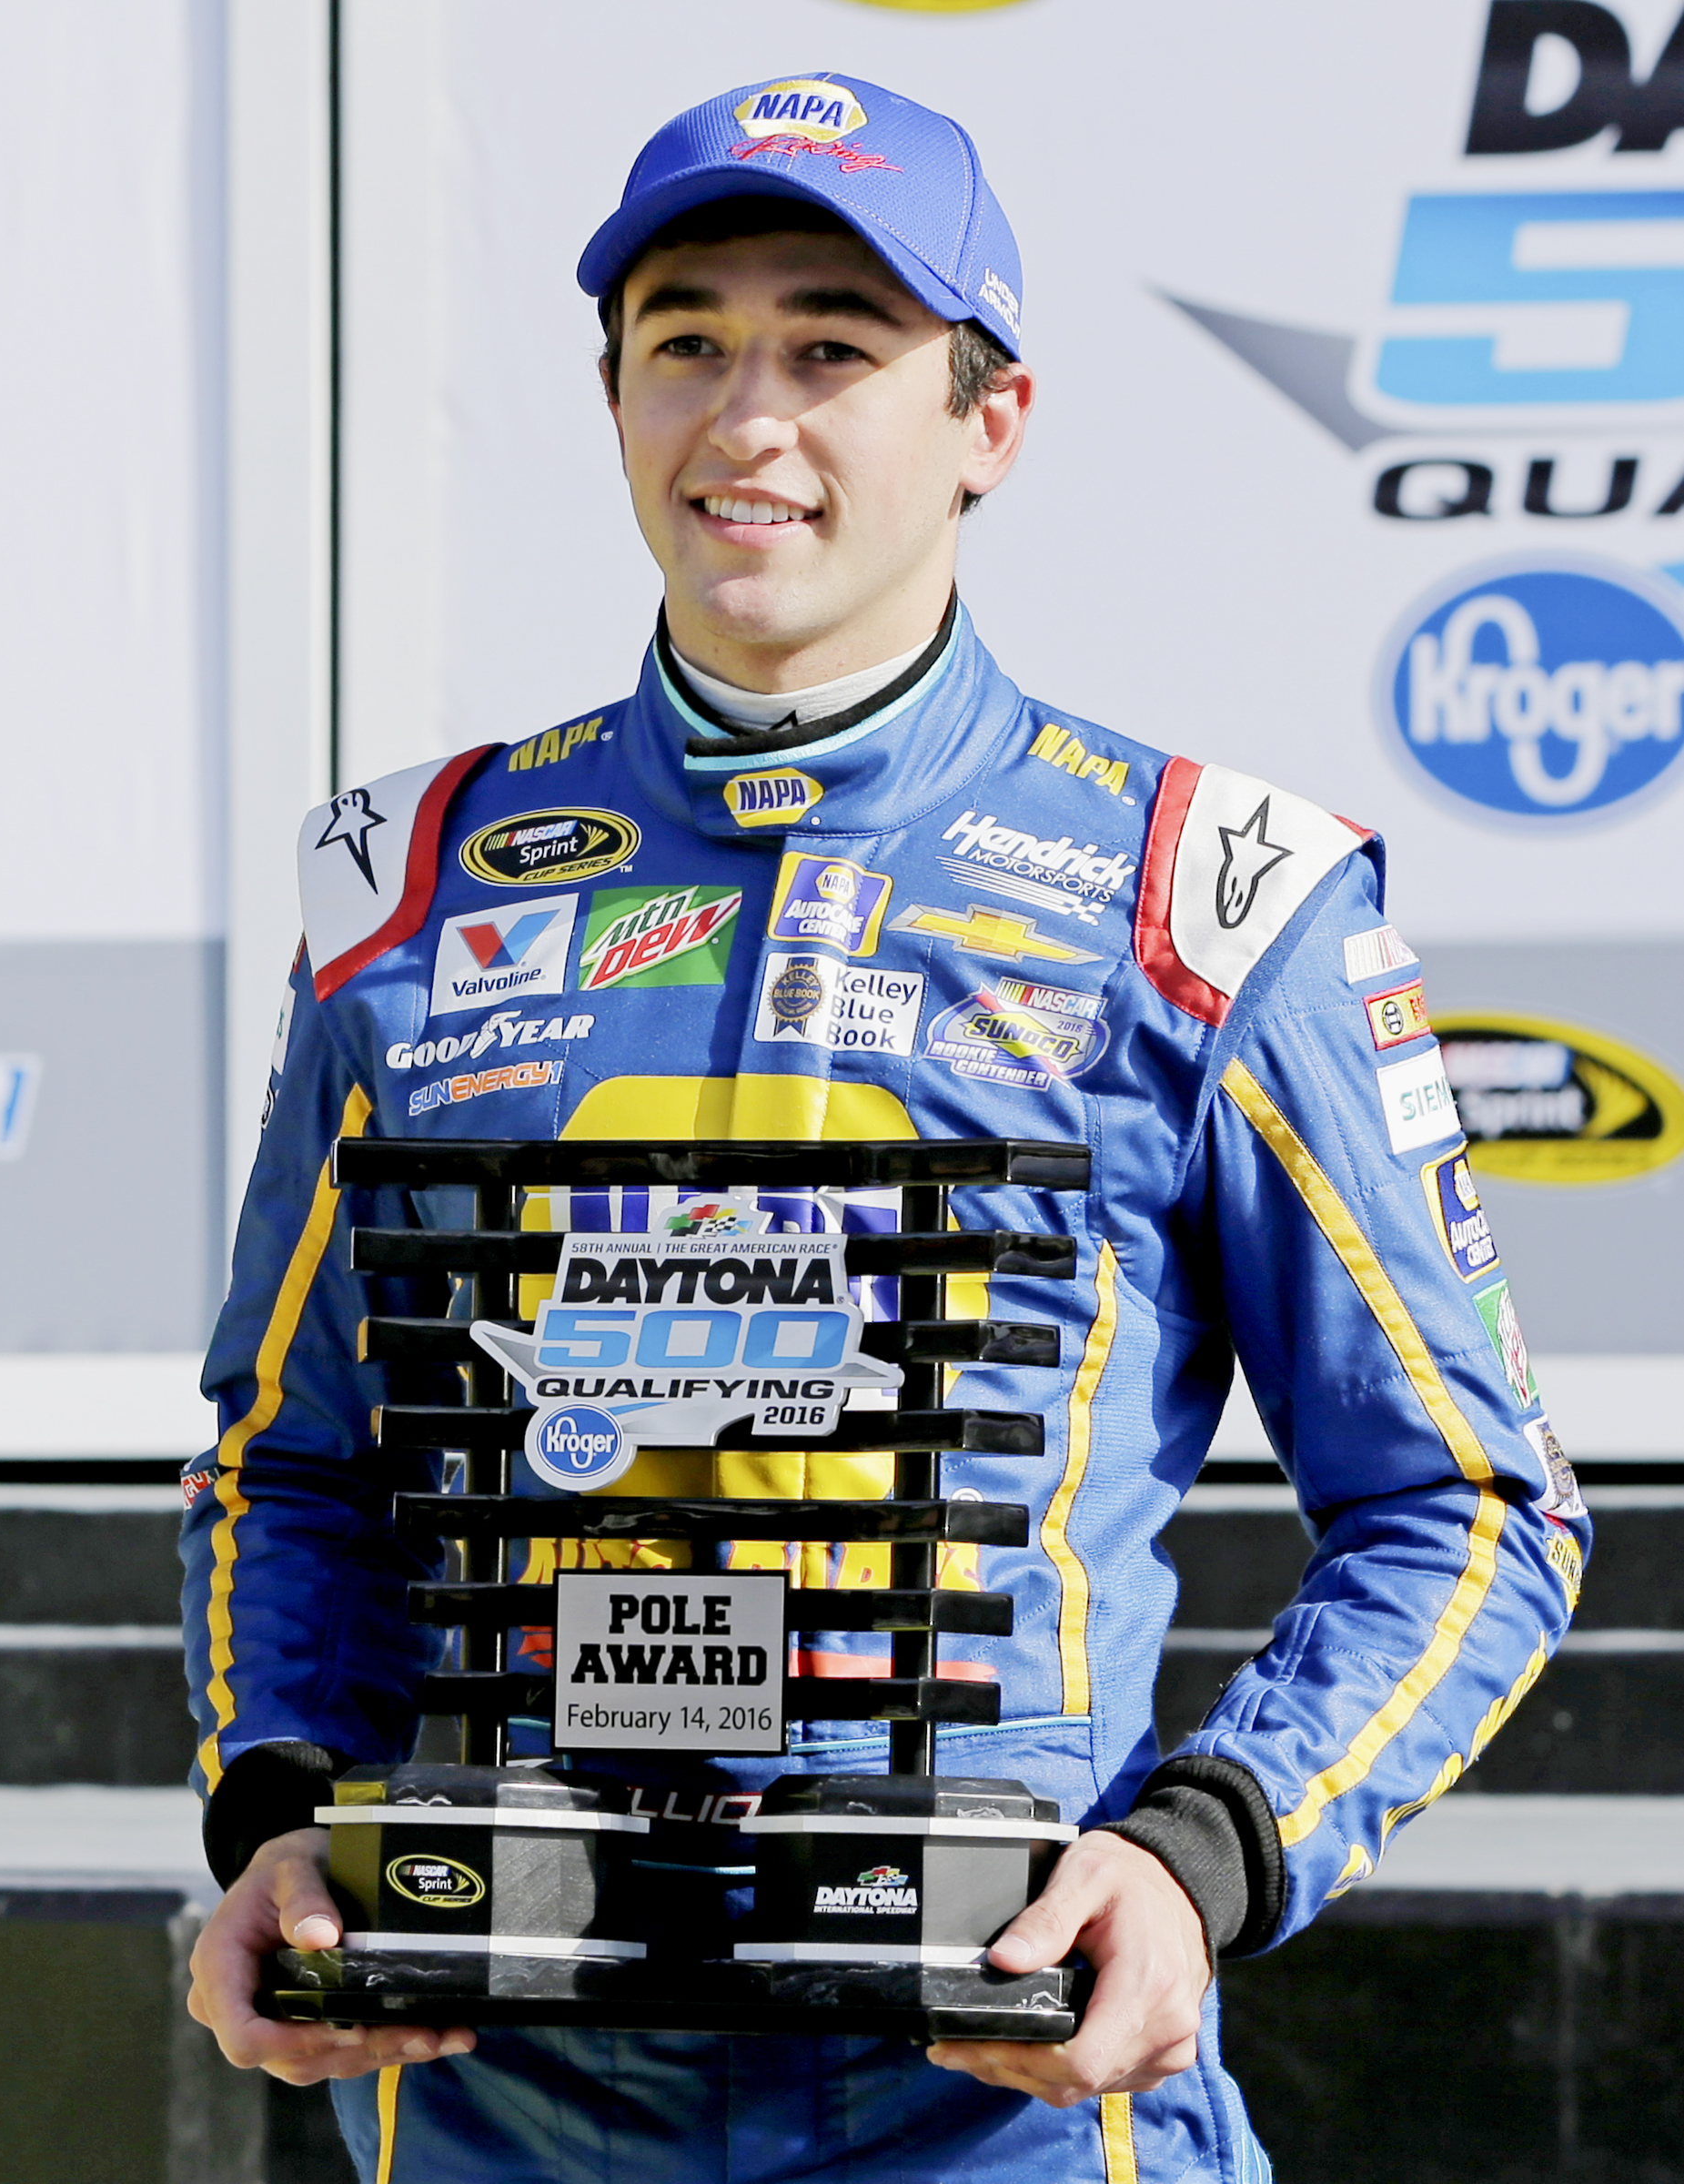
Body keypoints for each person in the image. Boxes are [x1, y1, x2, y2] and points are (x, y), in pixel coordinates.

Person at [182, 71, 1588, 2182]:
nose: (750, 420)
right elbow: (287, 1465)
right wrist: (280, 1816)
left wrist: (1201, 1854)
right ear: (613, 396)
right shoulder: (408, 889)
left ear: (987, 419)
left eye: (834, 348)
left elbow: (1471, 1505)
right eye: (688, 343)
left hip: (1006, 2101)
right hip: (499, 2099)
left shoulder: (1208, 903)